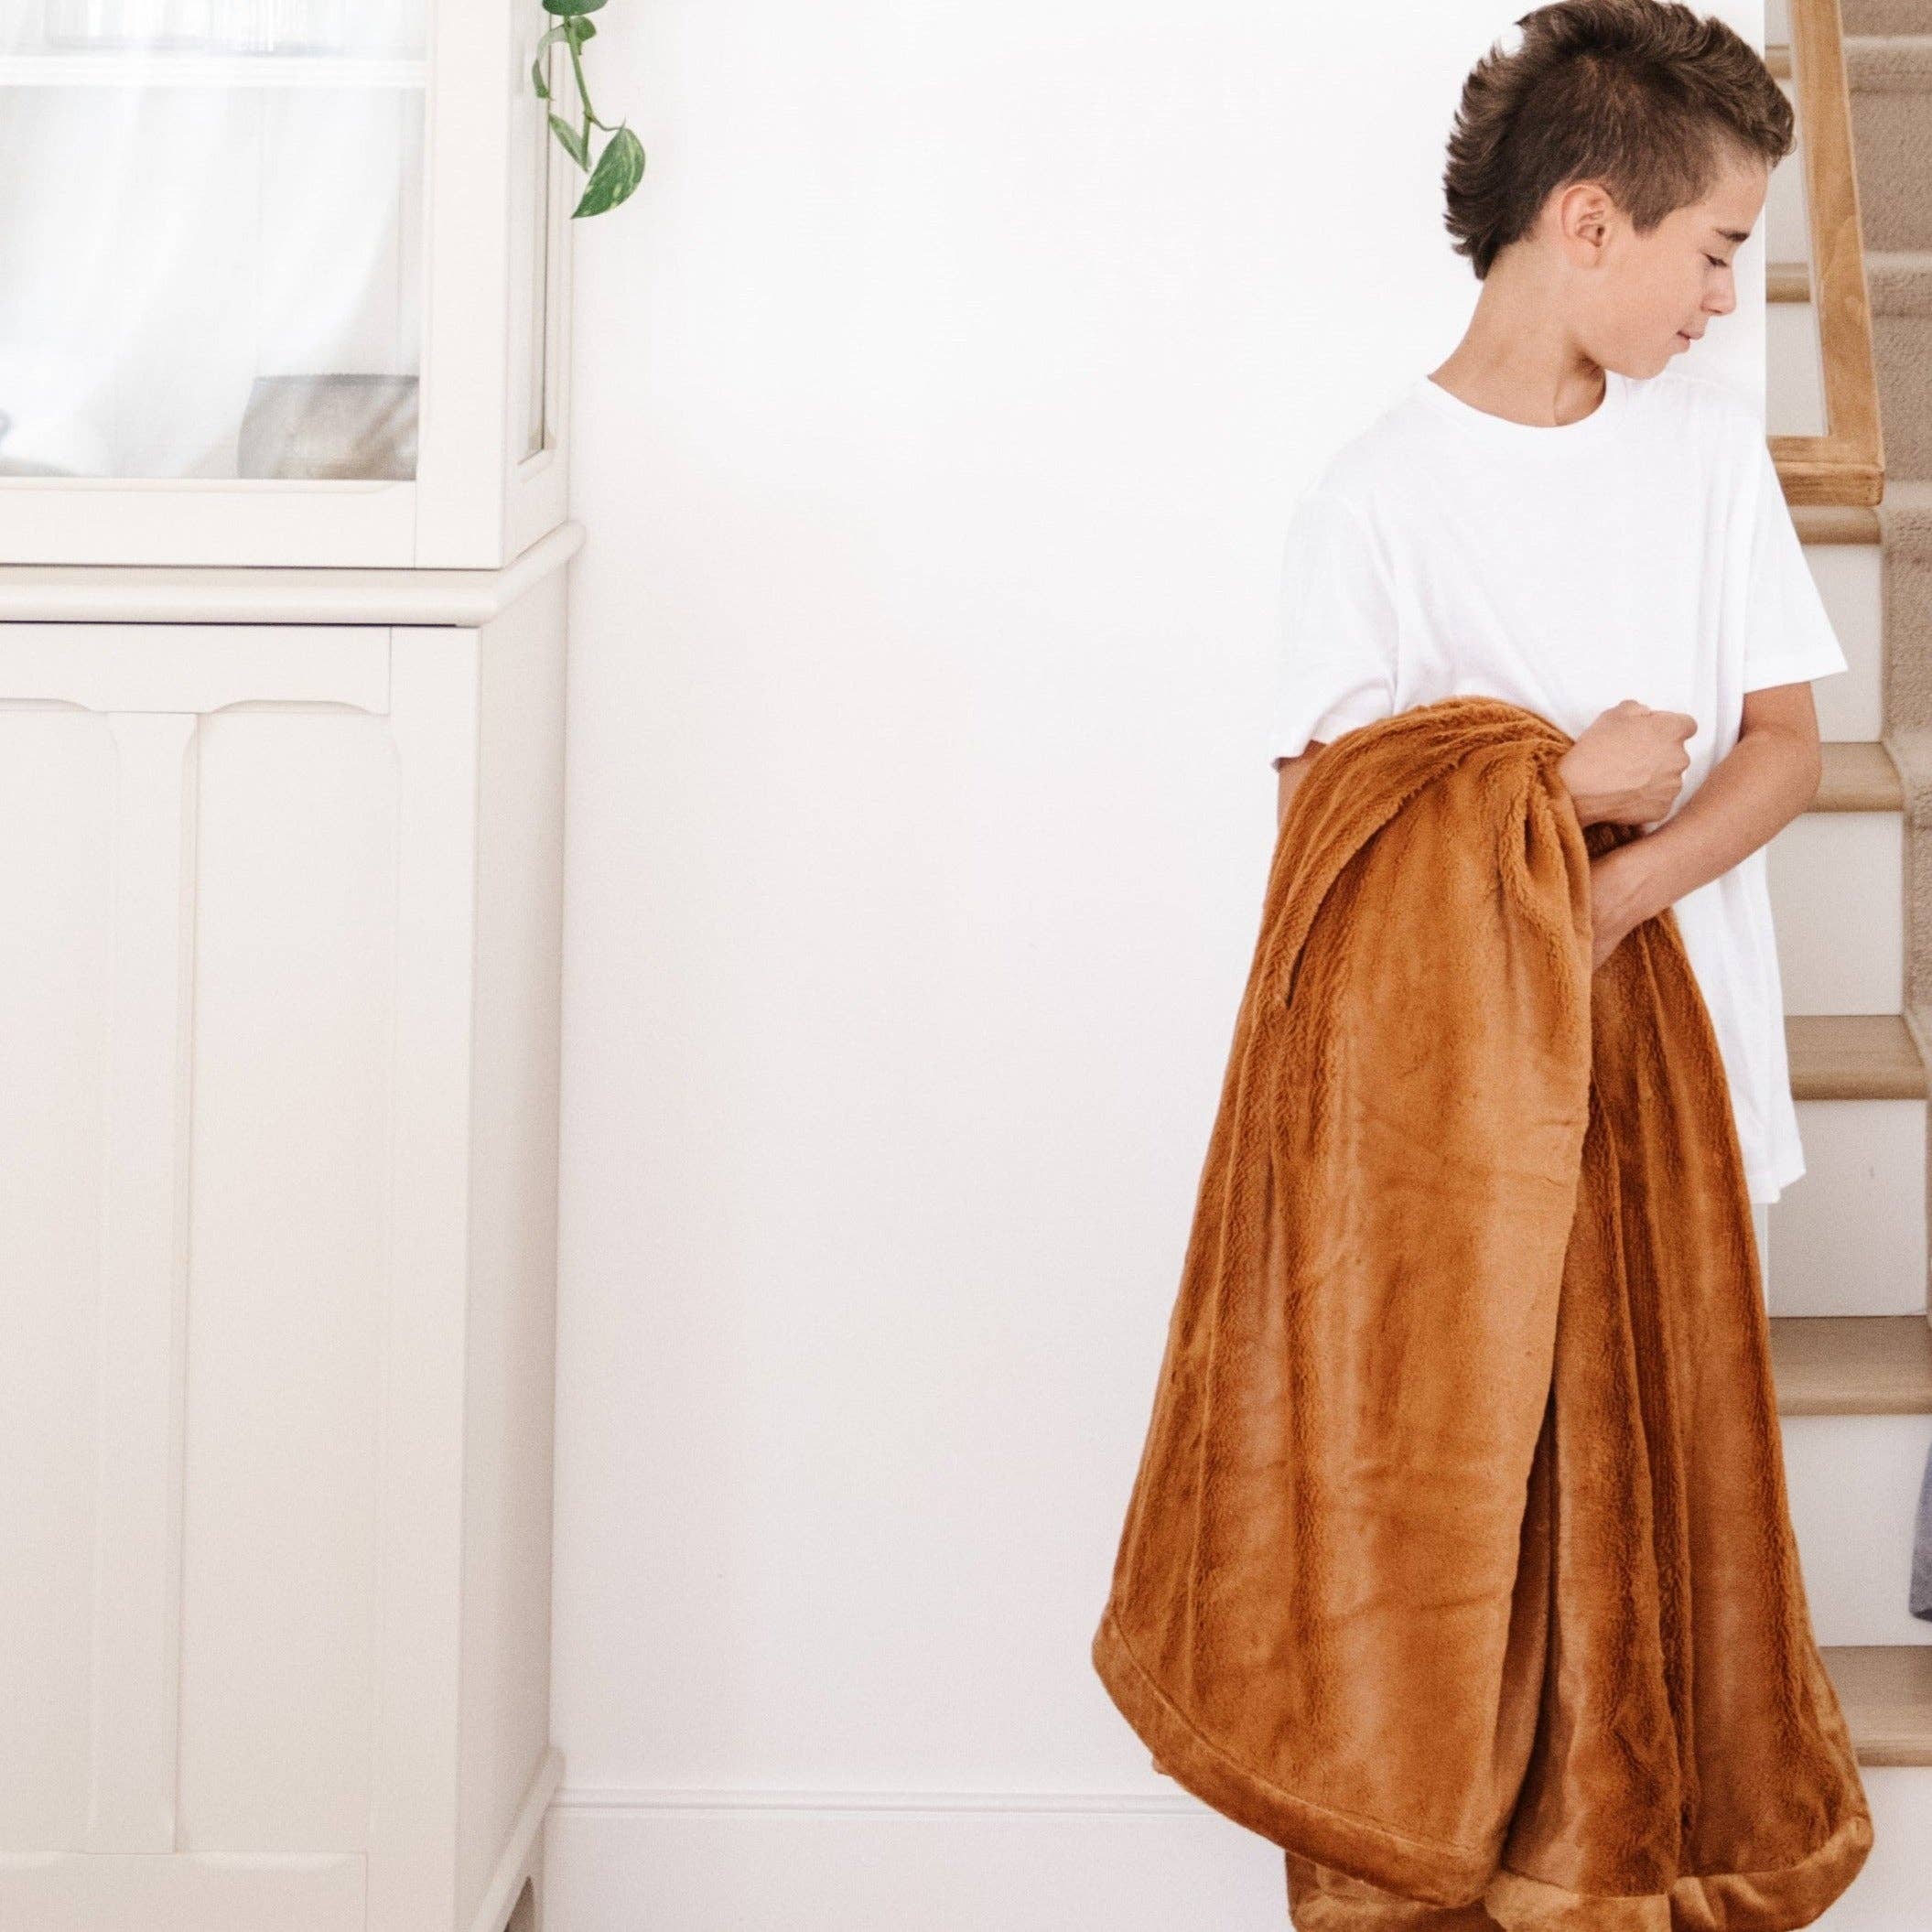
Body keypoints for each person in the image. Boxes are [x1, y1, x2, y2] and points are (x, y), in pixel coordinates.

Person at [1269, 0, 1849, 1208]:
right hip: (1484, 1108)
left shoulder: (1711, 449)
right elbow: (1324, 845)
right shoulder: (1371, 501)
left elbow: (1788, 747)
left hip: (1702, 1085)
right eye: (1717, 251)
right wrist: (1564, 793)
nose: (1726, 299)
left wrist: (1620, 895)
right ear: (1590, 222)